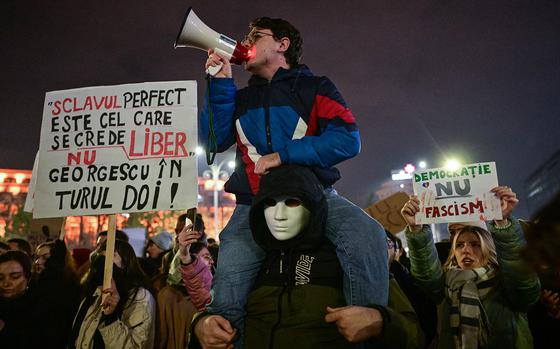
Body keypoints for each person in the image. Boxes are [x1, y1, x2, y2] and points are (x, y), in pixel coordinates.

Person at [201, 16, 388, 344]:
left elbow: (347, 140)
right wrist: (219, 85)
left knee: (367, 233)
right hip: (253, 203)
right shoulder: (240, 98)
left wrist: (285, 155)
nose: (245, 42)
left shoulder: (316, 87)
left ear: (282, 44)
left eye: (255, 36)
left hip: (316, 196)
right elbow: (214, 141)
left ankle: (367, 329)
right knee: (228, 284)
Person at [190, 165, 418, 349]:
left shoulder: (350, 252)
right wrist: (201, 327)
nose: (279, 215)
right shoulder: (247, 257)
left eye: (292, 202)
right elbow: (218, 321)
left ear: (313, 206)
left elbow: (416, 334)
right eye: (269, 203)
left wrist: (380, 321)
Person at [401, 186, 540, 348]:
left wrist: (503, 223)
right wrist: (416, 229)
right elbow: (426, 274)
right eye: (459, 245)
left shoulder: (506, 282)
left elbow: (523, 281)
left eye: (475, 244)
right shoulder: (446, 284)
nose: (466, 250)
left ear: (487, 246)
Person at [68, 239, 155, 349]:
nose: (103, 262)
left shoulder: (139, 297)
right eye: (101, 257)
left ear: (126, 263)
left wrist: (111, 318)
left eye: (111, 257)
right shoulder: (94, 293)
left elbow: (135, 346)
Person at [0, 250, 32, 348]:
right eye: (0, 278)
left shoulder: (35, 310)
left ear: (28, 278)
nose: (6, 283)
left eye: (15, 277)